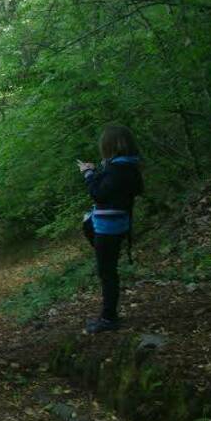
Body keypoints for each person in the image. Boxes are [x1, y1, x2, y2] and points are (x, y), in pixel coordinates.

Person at [78, 124, 144, 334]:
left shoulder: (118, 169)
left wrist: (88, 174)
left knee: (107, 273)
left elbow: (98, 194)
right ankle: (108, 315)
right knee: (108, 271)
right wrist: (100, 170)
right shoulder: (129, 166)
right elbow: (122, 190)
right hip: (118, 224)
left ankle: (108, 318)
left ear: (110, 145)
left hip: (109, 228)